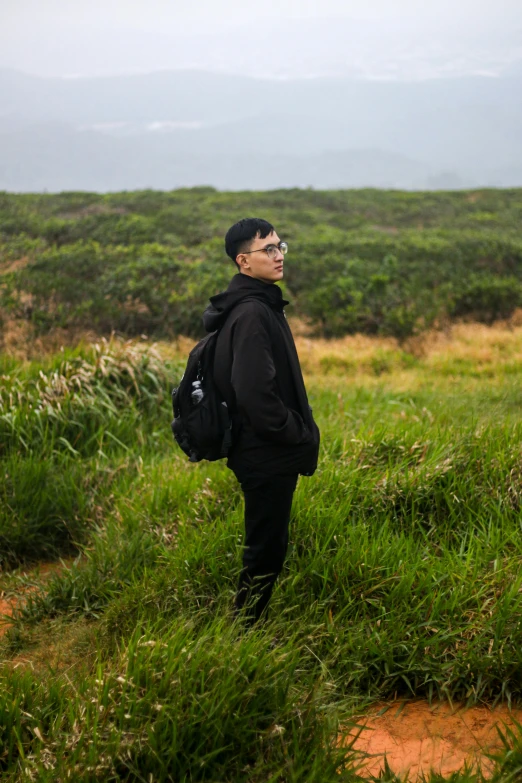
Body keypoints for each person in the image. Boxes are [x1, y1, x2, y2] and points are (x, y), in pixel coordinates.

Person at [202, 217, 320, 625]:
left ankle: (247, 628)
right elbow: (254, 392)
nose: (278, 255)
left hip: (261, 448)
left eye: (279, 246)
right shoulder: (252, 312)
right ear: (243, 262)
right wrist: (295, 432)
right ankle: (243, 635)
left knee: (267, 545)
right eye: (266, 249)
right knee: (265, 550)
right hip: (265, 451)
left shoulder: (255, 305)